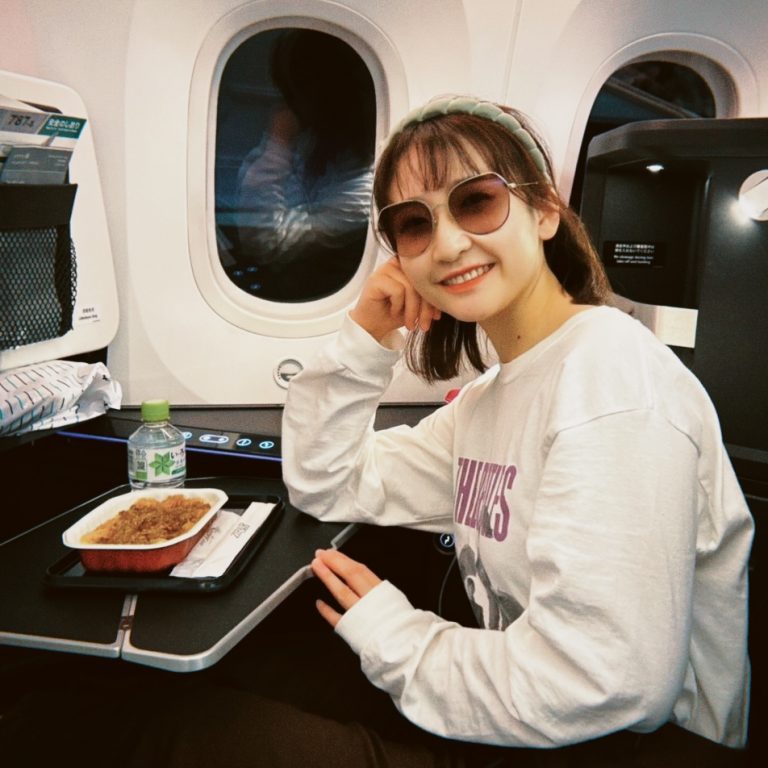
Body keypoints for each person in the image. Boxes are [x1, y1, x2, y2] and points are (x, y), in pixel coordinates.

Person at [280, 94, 754, 765]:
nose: (447, 244)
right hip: (527, 717)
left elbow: (609, 680)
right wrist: (366, 335)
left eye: (476, 202)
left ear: (545, 210)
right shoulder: (488, 400)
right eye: (414, 224)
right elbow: (327, 482)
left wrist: (394, 635)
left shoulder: (611, 380)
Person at [235, 29, 375, 301]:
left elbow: (266, 243)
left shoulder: (362, 191)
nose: (288, 107)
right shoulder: (320, 148)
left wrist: (278, 142)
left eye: (296, 94)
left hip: (308, 293)